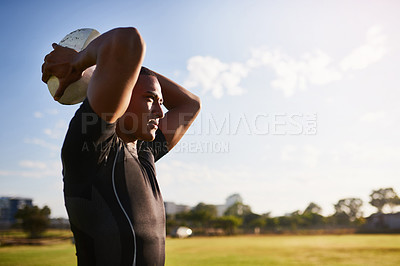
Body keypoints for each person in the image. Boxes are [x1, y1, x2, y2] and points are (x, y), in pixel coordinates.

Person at [41, 27, 201, 266]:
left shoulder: (144, 153)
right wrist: (79, 61)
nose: (160, 111)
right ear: (121, 99)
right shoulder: (91, 146)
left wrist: (129, 70)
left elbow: (190, 103)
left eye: (160, 101)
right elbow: (127, 41)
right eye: (149, 99)